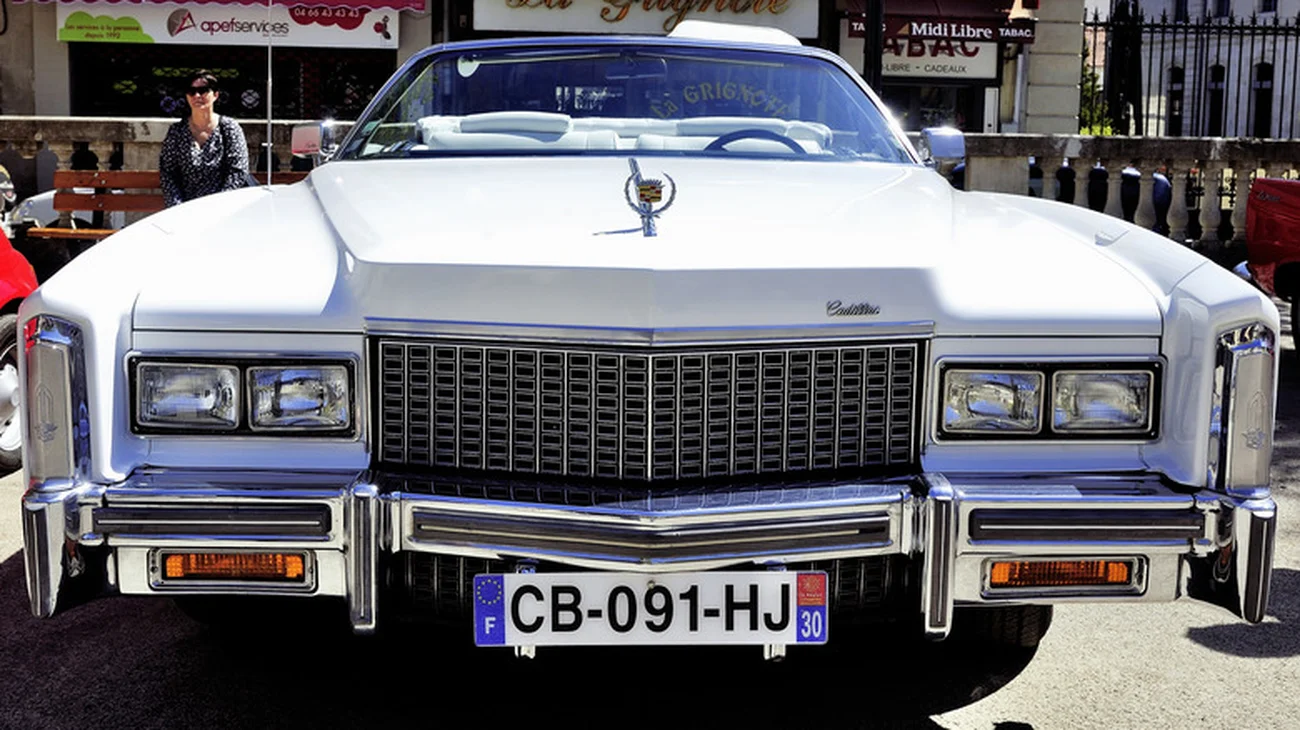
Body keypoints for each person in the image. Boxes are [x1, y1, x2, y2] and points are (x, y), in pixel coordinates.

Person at [159, 70, 252, 207]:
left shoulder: (229, 128)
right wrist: (178, 208)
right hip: (186, 209)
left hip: (224, 207)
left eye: (203, 91)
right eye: (191, 91)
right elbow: (168, 174)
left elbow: (238, 172)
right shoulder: (177, 131)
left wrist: (218, 206)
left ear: (215, 95)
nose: (197, 96)